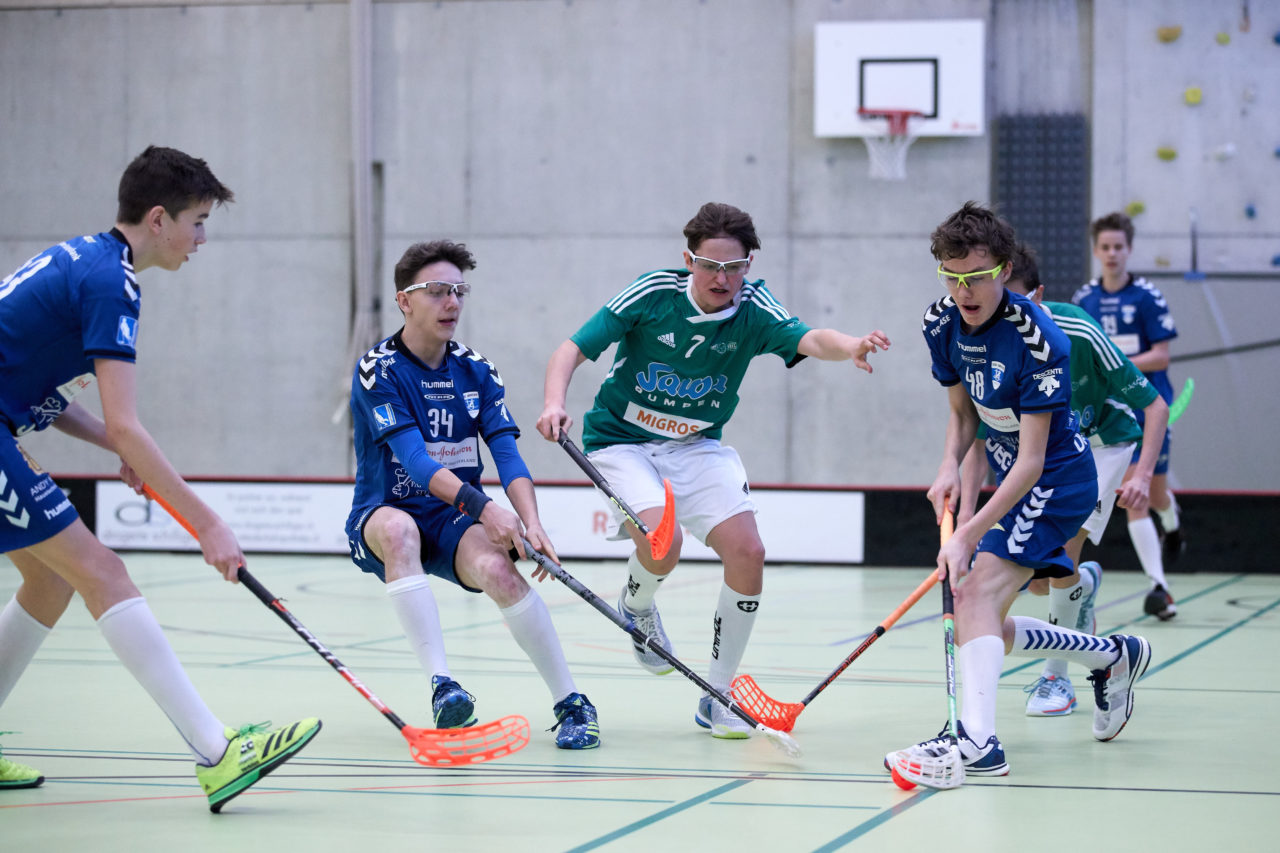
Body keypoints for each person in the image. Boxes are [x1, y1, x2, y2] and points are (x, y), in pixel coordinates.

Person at [0, 146, 320, 811]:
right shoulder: (110, 281)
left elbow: (49, 394)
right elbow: (127, 425)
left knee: (53, 576)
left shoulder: (85, 261)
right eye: (198, 221)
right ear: (157, 219)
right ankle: (215, 751)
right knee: (103, 572)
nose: (201, 239)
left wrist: (116, 447)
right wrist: (208, 523)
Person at [536, 202, 890, 739]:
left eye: (734, 266)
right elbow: (571, 349)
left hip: (697, 446)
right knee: (662, 542)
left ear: (748, 264)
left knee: (748, 552)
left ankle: (717, 696)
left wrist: (851, 347)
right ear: (689, 259)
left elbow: (811, 338)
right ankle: (637, 607)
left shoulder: (755, 308)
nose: (722, 278)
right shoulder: (653, 292)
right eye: (709, 265)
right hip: (621, 443)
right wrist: (552, 401)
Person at [889, 203, 1150, 778]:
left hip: (1057, 481)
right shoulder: (940, 324)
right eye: (952, 277)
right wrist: (948, 468)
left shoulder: (1039, 340)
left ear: (1004, 270)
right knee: (986, 620)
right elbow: (964, 417)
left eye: (977, 276)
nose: (965, 291)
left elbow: (1031, 462)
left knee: (974, 592)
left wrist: (966, 533)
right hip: (1015, 477)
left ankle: (977, 744)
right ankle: (1114, 658)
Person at [345, 239, 598, 750]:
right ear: (404, 301)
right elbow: (416, 465)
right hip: (386, 510)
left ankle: (573, 703)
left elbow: (506, 454)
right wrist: (487, 510)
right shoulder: (379, 370)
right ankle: (443, 687)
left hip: (453, 519)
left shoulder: (476, 369)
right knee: (398, 530)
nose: (452, 303)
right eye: (437, 292)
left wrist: (531, 522)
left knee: (499, 571)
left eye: (458, 291)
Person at [958, 243, 1169, 717]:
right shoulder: (979, 337)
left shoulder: (1076, 329)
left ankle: (1057, 679)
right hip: (1045, 453)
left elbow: (1154, 405)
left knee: (1066, 548)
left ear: (1039, 295)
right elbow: (975, 431)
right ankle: (1084, 594)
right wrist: (966, 513)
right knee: (1039, 580)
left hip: (1101, 445)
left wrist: (1142, 473)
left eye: (1017, 305)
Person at [1072, 212, 1180, 619]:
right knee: (1134, 498)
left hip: (1149, 407)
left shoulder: (1147, 297)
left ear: (1129, 250)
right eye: (1105, 247)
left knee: (1153, 494)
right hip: (1109, 419)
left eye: (1119, 247)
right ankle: (1160, 588)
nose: (1112, 254)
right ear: (1096, 251)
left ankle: (1171, 521)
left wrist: (1117, 363)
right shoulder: (1085, 300)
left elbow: (1162, 355)